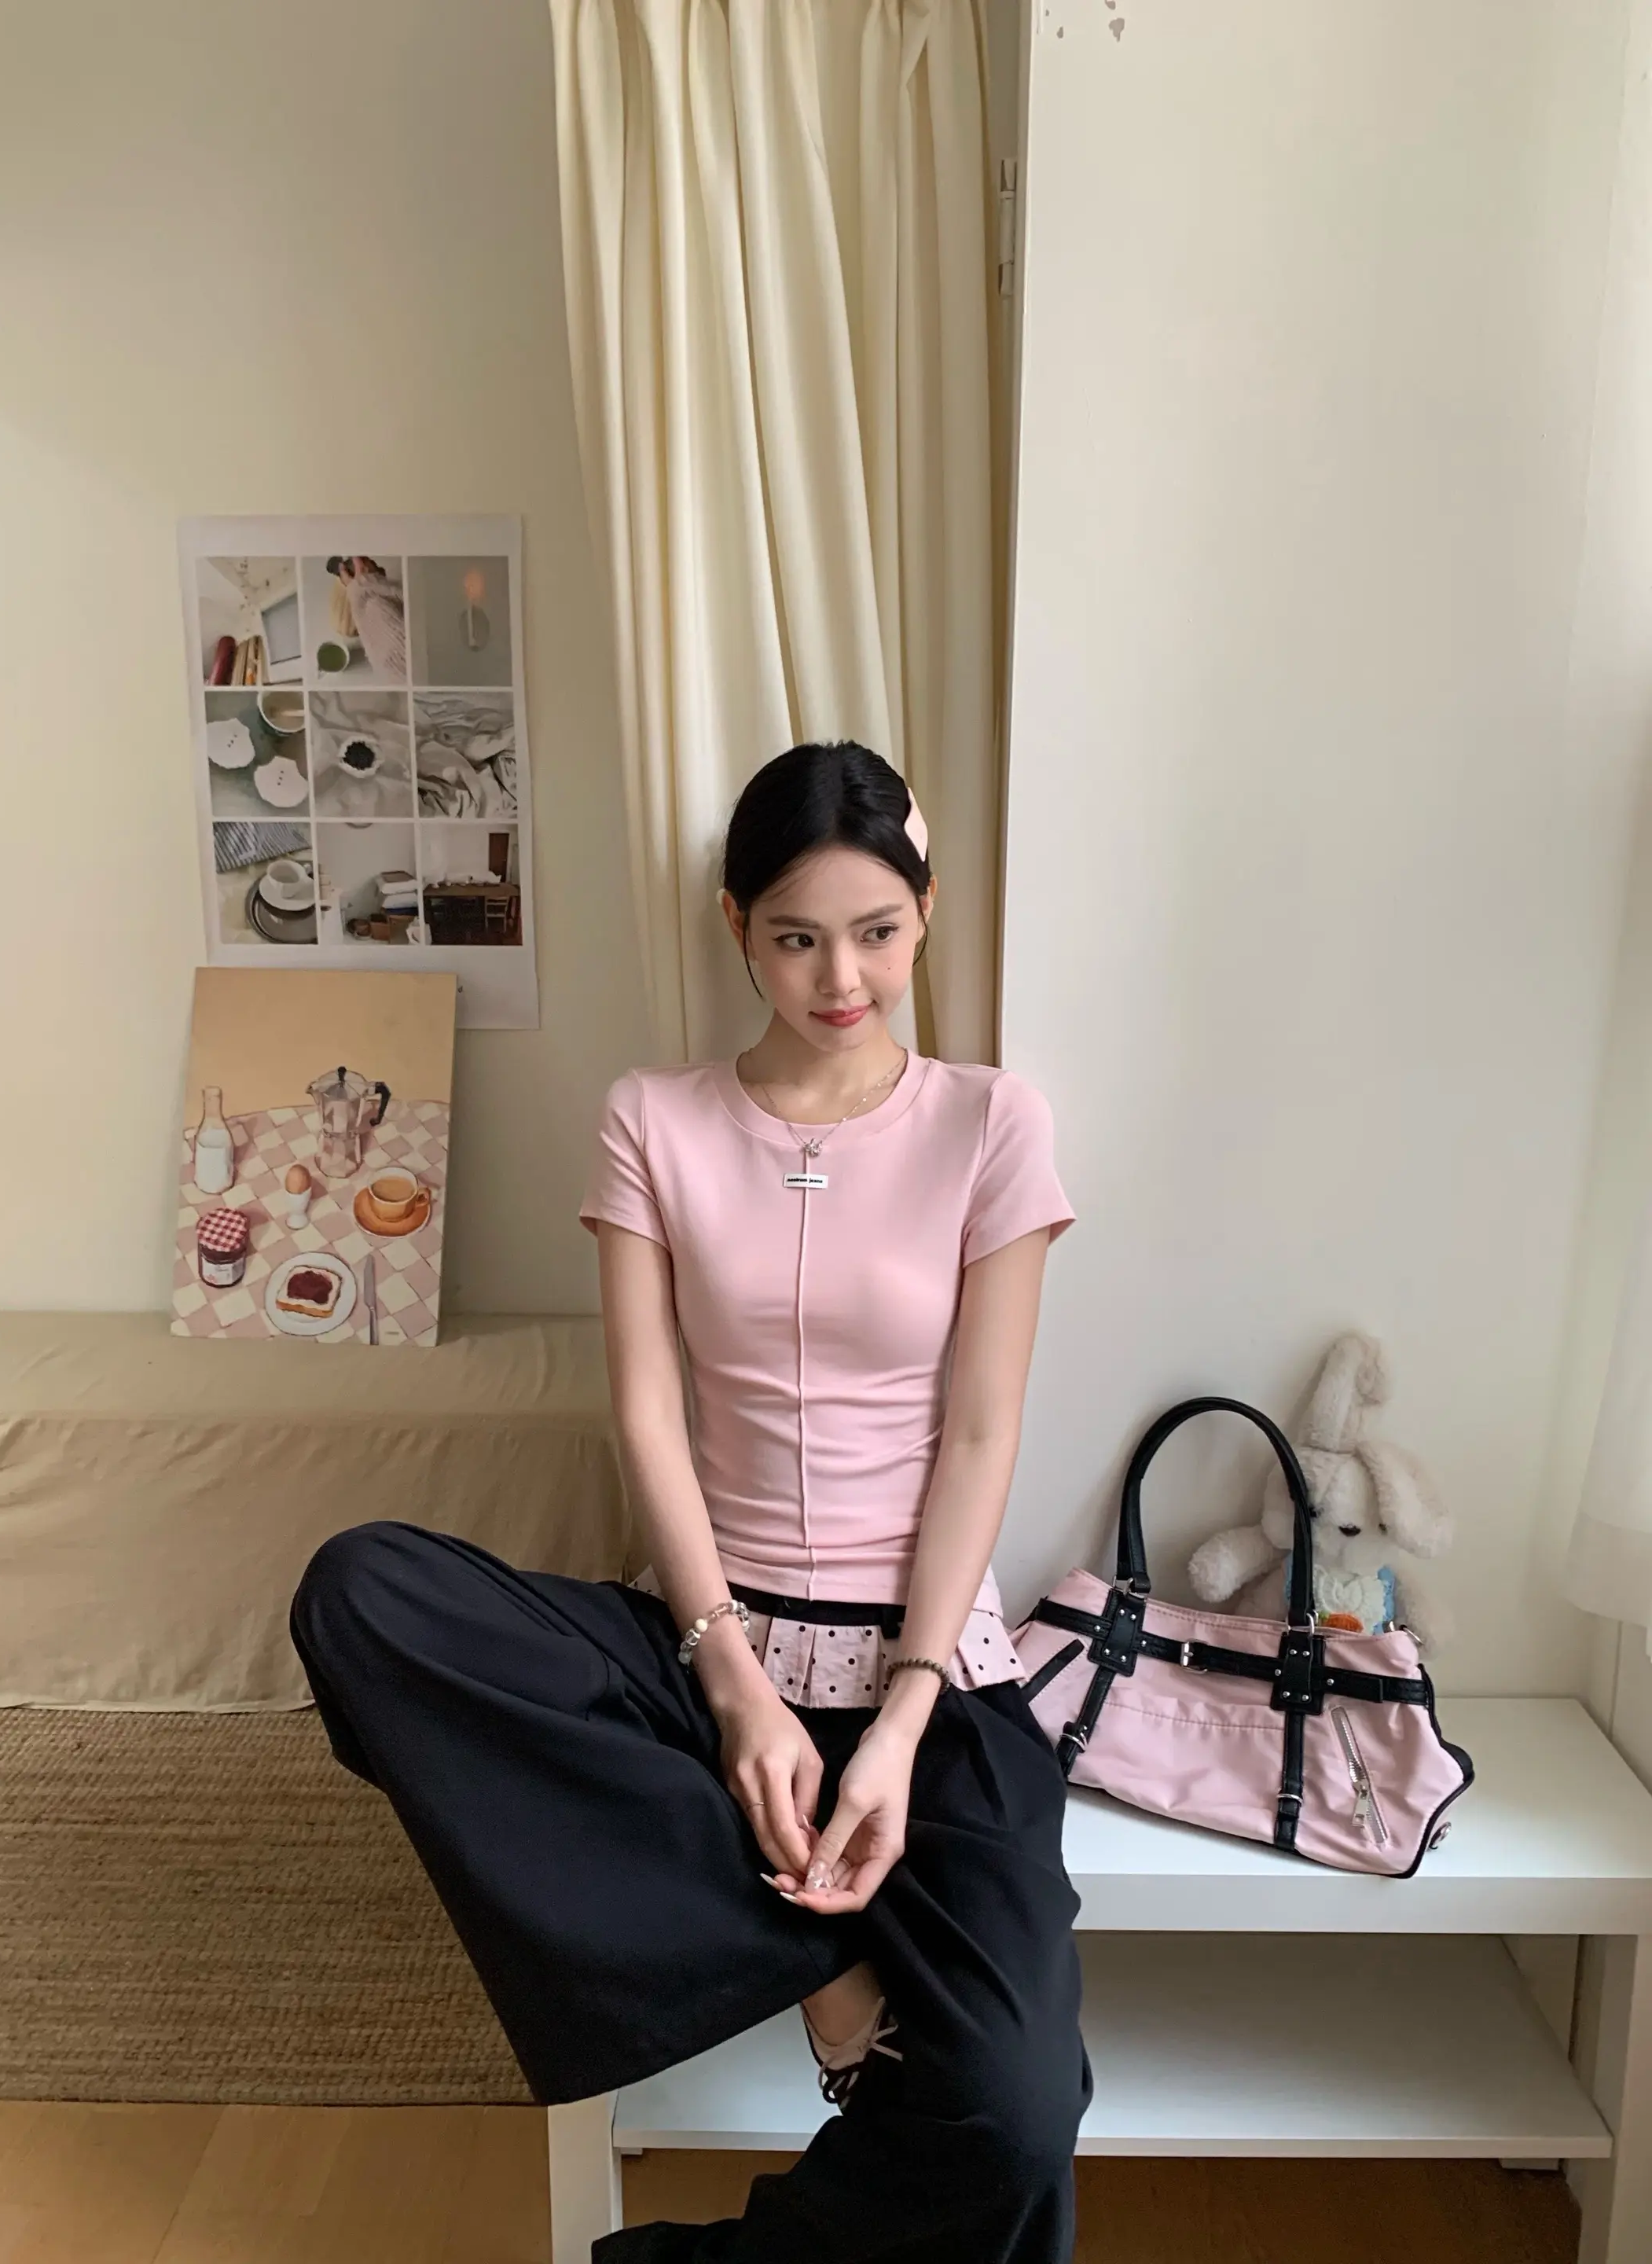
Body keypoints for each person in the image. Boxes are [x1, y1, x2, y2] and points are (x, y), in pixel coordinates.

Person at [288, 741, 1089, 2261]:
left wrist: (901, 1719)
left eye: (877, 932)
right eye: (796, 937)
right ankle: (814, 1956)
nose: (840, 978)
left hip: (932, 1675)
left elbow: (982, 1433)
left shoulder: (991, 1121)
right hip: (705, 1647)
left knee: (1018, 2113)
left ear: (926, 913)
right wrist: (734, 1690)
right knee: (365, 1592)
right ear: (736, 926)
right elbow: (648, 1413)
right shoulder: (653, 1118)